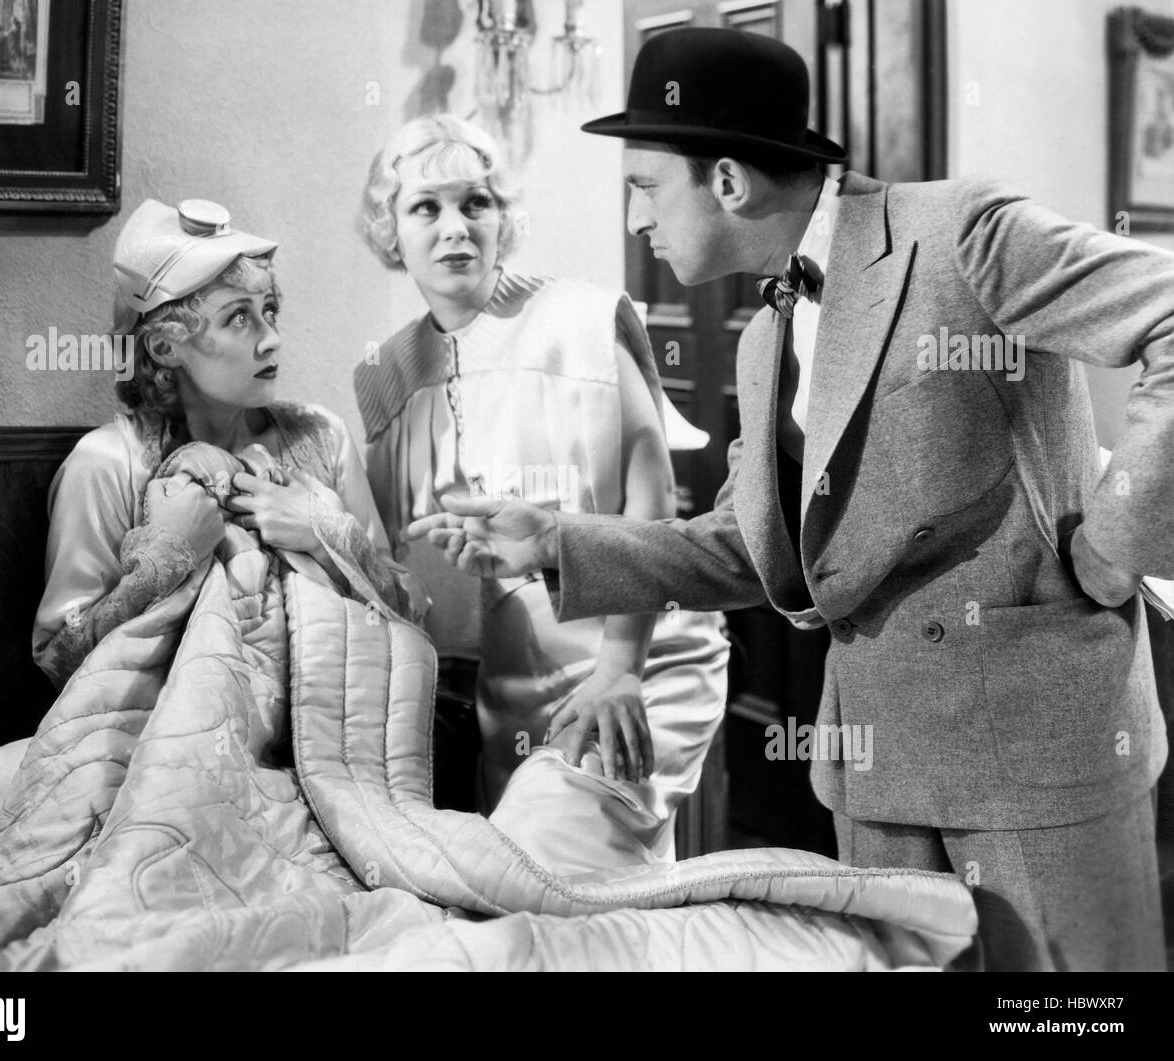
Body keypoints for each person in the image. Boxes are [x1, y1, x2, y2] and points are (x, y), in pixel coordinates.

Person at [407, 28, 1174, 971]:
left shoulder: (962, 233)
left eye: (646, 187)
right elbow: (747, 546)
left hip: (1038, 746)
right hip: (875, 767)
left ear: (727, 181)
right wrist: (556, 541)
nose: (638, 220)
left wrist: (1112, 546)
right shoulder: (760, 342)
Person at [355, 115, 729, 854]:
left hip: (641, 650)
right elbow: (382, 561)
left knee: (583, 867)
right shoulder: (386, 373)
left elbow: (652, 508)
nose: (456, 227)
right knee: (538, 894)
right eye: (426, 207)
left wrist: (621, 668)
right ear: (390, 231)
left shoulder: (582, 318)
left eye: (476, 203)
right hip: (514, 677)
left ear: (504, 219)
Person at [33, 197, 422, 688]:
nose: (271, 338)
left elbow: (408, 615)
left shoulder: (323, 437)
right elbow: (58, 657)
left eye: (270, 310)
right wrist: (165, 561)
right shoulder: (108, 463)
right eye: (239, 318)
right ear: (165, 346)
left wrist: (326, 536)